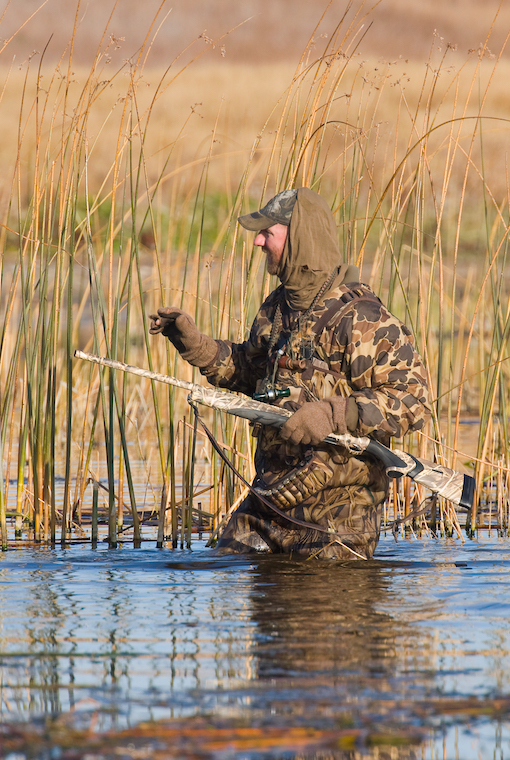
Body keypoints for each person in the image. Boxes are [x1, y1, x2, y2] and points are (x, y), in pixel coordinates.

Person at [149, 187, 431, 559]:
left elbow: (412, 401)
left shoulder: (363, 319)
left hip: (338, 516)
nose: (257, 241)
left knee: (311, 601)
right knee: (218, 567)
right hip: (270, 502)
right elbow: (249, 374)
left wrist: (335, 413)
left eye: (269, 231)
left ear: (301, 237)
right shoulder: (276, 308)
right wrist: (196, 345)